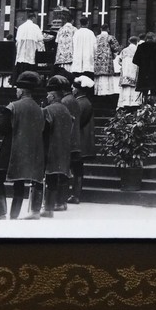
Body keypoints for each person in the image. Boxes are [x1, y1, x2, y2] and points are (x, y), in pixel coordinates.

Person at [0, 71, 45, 220]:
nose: (16, 91)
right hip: (29, 153)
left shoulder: (12, 107)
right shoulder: (40, 109)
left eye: (17, 89)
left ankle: (1, 215)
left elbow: (3, 130)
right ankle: (14, 217)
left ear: (21, 91)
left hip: (10, 151)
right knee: (19, 183)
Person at [41, 75, 75, 218]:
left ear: (53, 96)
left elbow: (44, 131)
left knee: (50, 178)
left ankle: (48, 207)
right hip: (64, 148)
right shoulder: (66, 110)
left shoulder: (48, 110)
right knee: (61, 175)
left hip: (50, 149)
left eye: (49, 95)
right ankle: (60, 203)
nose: (47, 97)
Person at [68, 75, 95, 204]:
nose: (72, 90)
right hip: (83, 141)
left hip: (79, 141)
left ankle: (75, 195)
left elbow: (75, 124)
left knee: (76, 168)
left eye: (73, 88)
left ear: (78, 90)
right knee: (77, 168)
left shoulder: (79, 103)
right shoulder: (85, 102)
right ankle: (75, 194)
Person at [57, 75, 81, 211]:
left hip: (67, 141)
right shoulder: (73, 100)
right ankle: (72, 195)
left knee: (64, 171)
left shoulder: (65, 101)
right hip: (75, 140)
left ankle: (62, 199)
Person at [133, 32, 156, 104]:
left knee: (144, 90)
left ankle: (144, 107)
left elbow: (135, 60)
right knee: (153, 90)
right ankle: (152, 108)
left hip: (143, 72)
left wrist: (142, 65)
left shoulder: (140, 46)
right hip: (154, 72)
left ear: (146, 38)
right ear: (153, 38)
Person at [14, 12, 45, 83]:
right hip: (31, 54)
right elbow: (40, 38)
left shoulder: (21, 27)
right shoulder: (35, 27)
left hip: (21, 55)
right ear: (33, 18)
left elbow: (17, 39)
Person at [93, 24, 121, 97]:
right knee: (106, 79)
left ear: (101, 29)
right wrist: (113, 54)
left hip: (97, 62)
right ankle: (106, 93)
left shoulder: (96, 37)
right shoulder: (110, 37)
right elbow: (117, 48)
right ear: (108, 29)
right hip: (107, 61)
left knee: (98, 78)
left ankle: (98, 93)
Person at [117, 36, 141, 110]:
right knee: (134, 89)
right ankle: (134, 103)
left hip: (126, 74)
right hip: (135, 72)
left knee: (126, 89)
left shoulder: (124, 50)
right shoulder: (138, 50)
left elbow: (119, 61)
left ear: (129, 41)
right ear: (137, 42)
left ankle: (125, 103)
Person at [53, 11, 76, 80]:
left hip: (61, 57)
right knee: (69, 73)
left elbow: (56, 42)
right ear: (72, 21)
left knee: (61, 74)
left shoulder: (60, 29)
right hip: (70, 56)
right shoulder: (74, 29)